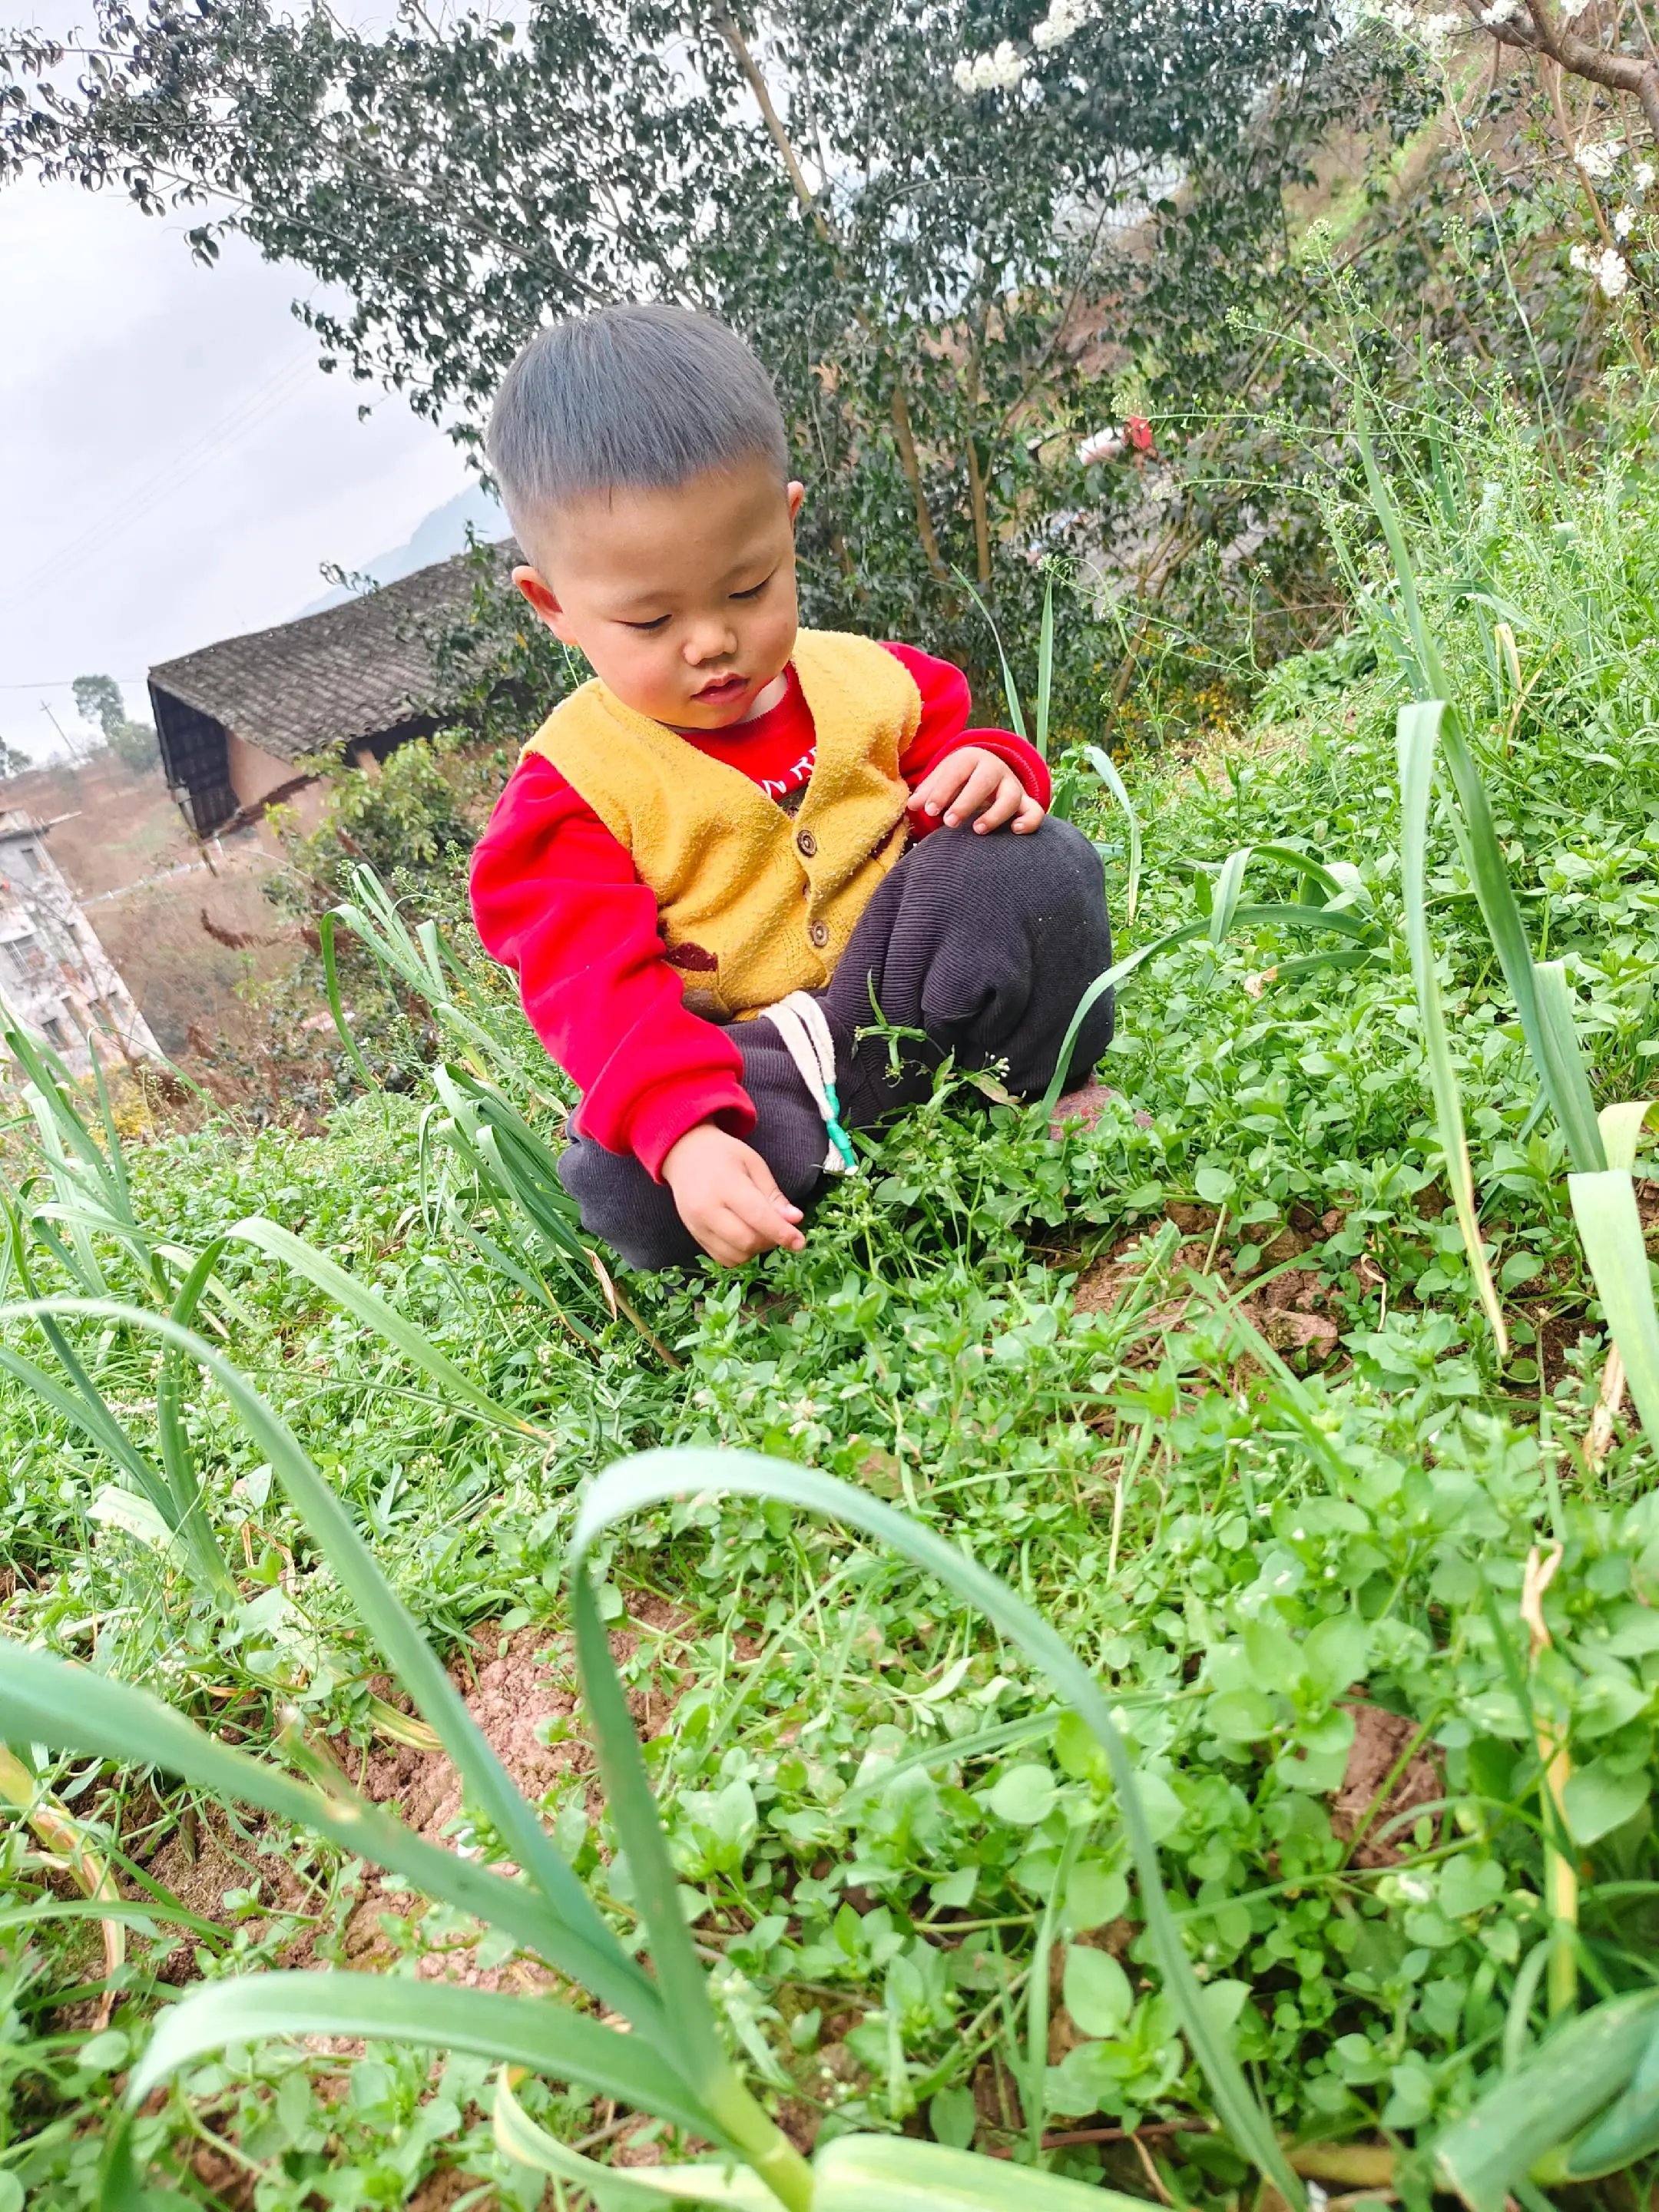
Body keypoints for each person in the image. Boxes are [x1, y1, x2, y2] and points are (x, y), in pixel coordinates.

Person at [469, 303, 1115, 1273]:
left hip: (911, 997)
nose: (711, 642)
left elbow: (959, 768)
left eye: (746, 588)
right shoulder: (572, 794)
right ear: (554, 605)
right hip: (751, 1065)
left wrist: (991, 771)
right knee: (622, 1182)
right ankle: (769, 1186)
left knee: (1038, 867)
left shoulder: (874, 679)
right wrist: (686, 1136)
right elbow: (596, 992)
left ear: (788, 525)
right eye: (648, 622)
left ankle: (1048, 1084)